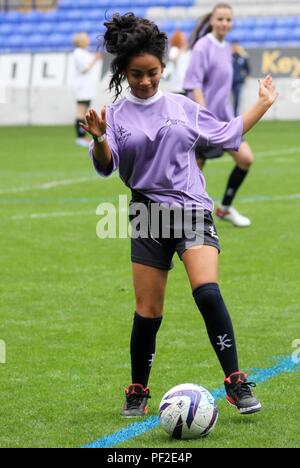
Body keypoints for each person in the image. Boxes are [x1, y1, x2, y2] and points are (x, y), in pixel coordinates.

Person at [81, 13, 278, 417]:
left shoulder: (181, 106)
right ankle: (137, 390)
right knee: (148, 313)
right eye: (136, 74)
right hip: (147, 216)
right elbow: (106, 166)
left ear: (162, 68)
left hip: (191, 209)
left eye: (152, 72)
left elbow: (225, 134)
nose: (145, 81)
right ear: (123, 71)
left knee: (207, 291)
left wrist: (262, 103)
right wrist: (100, 137)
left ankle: (235, 382)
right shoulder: (115, 115)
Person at [183, 3, 255, 227]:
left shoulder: (226, 47)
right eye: (220, 19)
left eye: (228, 20)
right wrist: (204, 116)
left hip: (223, 120)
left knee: (245, 159)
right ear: (212, 21)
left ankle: (224, 208)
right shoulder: (203, 46)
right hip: (203, 121)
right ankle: (183, 217)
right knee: (193, 171)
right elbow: (193, 83)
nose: (224, 23)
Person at [71, 32, 101, 148]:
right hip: (82, 88)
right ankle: (79, 137)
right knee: (80, 111)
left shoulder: (83, 53)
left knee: (84, 112)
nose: (88, 40)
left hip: (87, 87)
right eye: (86, 39)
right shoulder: (78, 53)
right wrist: (95, 59)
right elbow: (84, 68)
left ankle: (83, 136)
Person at [232, 41, 251, 116]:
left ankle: (235, 115)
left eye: (236, 46)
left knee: (237, 100)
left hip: (238, 82)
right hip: (228, 82)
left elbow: (248, 69)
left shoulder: (242, 57)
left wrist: (245, 78)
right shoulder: (228, 57)